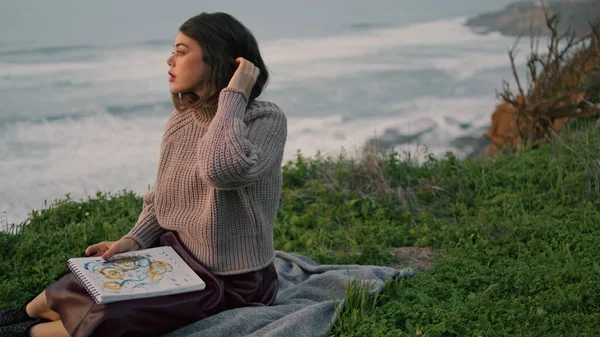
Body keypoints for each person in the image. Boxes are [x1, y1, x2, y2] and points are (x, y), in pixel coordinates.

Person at [0, 11, 287, 337]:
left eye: (181, 51)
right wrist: (132, 240)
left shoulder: (265, 121)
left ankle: (25, 333)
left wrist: (233, 97)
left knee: (115, 317)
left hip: (234, 280)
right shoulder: (181, 122)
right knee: (86, 282)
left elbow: (220, 170)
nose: (169, 61)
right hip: (178, 256)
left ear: (219, 60)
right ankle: (21, 314)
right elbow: (161, 199)